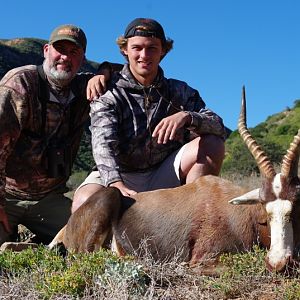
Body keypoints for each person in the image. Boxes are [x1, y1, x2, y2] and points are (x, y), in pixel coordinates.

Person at [72, 18, 226, 212]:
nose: (144, 55)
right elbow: (103, 143)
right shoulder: (108, 92)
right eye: (137, 48)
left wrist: (188, 117)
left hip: (164, 173)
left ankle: (192, 218)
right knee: (83, 203)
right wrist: (114, 183)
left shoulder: (179, 91)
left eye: (152, 48)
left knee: (212, 143)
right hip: (119, 174)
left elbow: (218, 126)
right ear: (125, 50)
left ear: (163, 51)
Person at [0, 24, 107, 245]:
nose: (65, 57)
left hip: (49, 199)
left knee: (90, 240)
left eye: (74, 52)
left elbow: (128, 70)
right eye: (60, 49)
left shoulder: (84, 88)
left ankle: (37, 243)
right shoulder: (20, 83)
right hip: (8, 196)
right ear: (46, 50)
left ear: (82, 58)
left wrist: (103, 73)